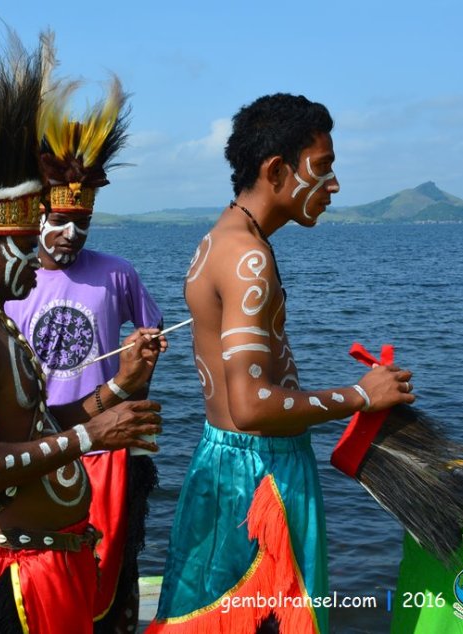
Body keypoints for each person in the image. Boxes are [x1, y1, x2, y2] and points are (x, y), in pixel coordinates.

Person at [0, 31, 164, 633]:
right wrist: (93, 435)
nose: (39, 257)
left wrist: (118, 391)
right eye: (24, 244)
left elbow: (38, 427)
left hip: (46, 566)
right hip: (18, 578)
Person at [149, 94, 417, 633]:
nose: (334, 185)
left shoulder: (215, 241)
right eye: (322, 168)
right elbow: (250, 406)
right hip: (261, 478)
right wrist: (362, 395)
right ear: (277, 170)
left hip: (219, 466)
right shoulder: (249, 258)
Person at [4, 68, 164, 633]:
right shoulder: (12, 283)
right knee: (39, 584)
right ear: (38, 217)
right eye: (63, 221)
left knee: (112, 578)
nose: (73, 235)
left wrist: (136, 366)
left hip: (111, 452)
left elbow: (150, 343)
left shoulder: (118, 274)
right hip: (39, 450)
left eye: (84, 224)